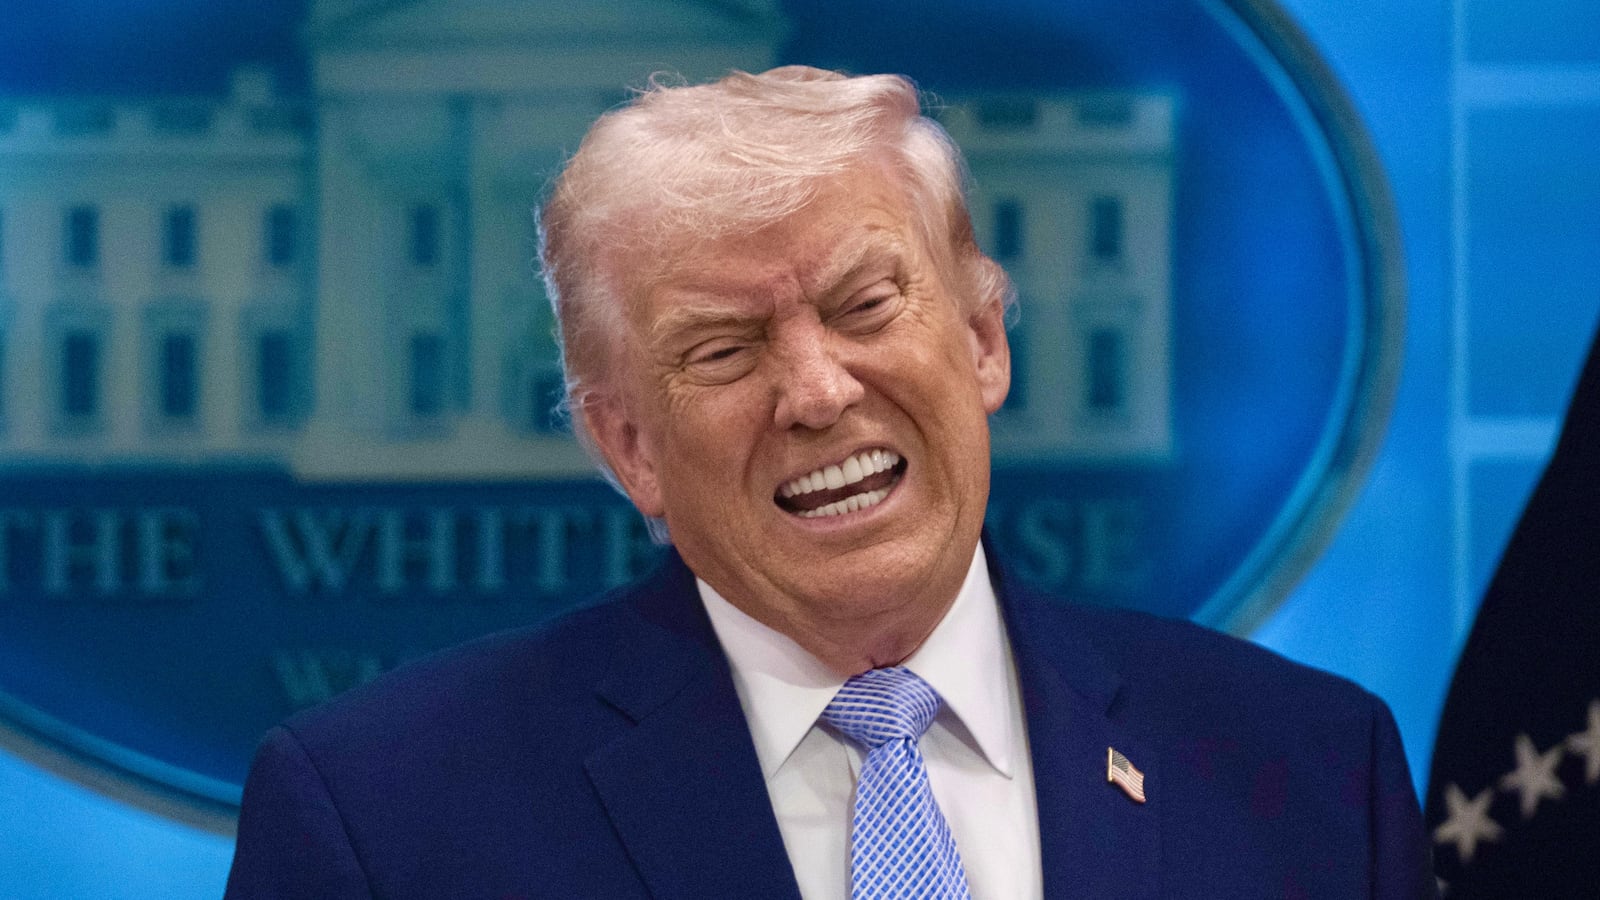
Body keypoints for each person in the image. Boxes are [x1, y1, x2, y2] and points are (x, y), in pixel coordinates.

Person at [225, 67, 1434, 898]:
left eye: (864, 306)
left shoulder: (1310, 773)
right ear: (628, 447)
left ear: (982, 340)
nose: (815, 391)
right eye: (722, 350)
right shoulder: (384, 821)